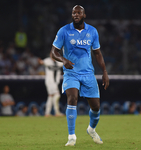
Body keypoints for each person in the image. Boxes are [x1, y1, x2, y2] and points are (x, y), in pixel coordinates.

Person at [51, 5, 109, 146]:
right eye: (74, 13)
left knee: (96, 107)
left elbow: (97, 53)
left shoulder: (93, 31)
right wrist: (64, 60)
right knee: (72, 98)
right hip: (71, 73)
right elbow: (53, 52)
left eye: (79, 12)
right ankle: (72, 136)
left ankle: (91, 129)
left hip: (88, 73)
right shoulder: (64, 31)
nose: (76, 15)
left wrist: (105, 72)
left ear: (84, 15)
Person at [38, 52, 64, 117]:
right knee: (57, 95)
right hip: (50, 81)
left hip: (55, 82)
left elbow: (65, 63)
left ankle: (47, 113)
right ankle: (57, 112)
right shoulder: (47, 61)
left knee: (50, 96)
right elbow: (41, 62)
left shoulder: (59, 62)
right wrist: (39, 61)